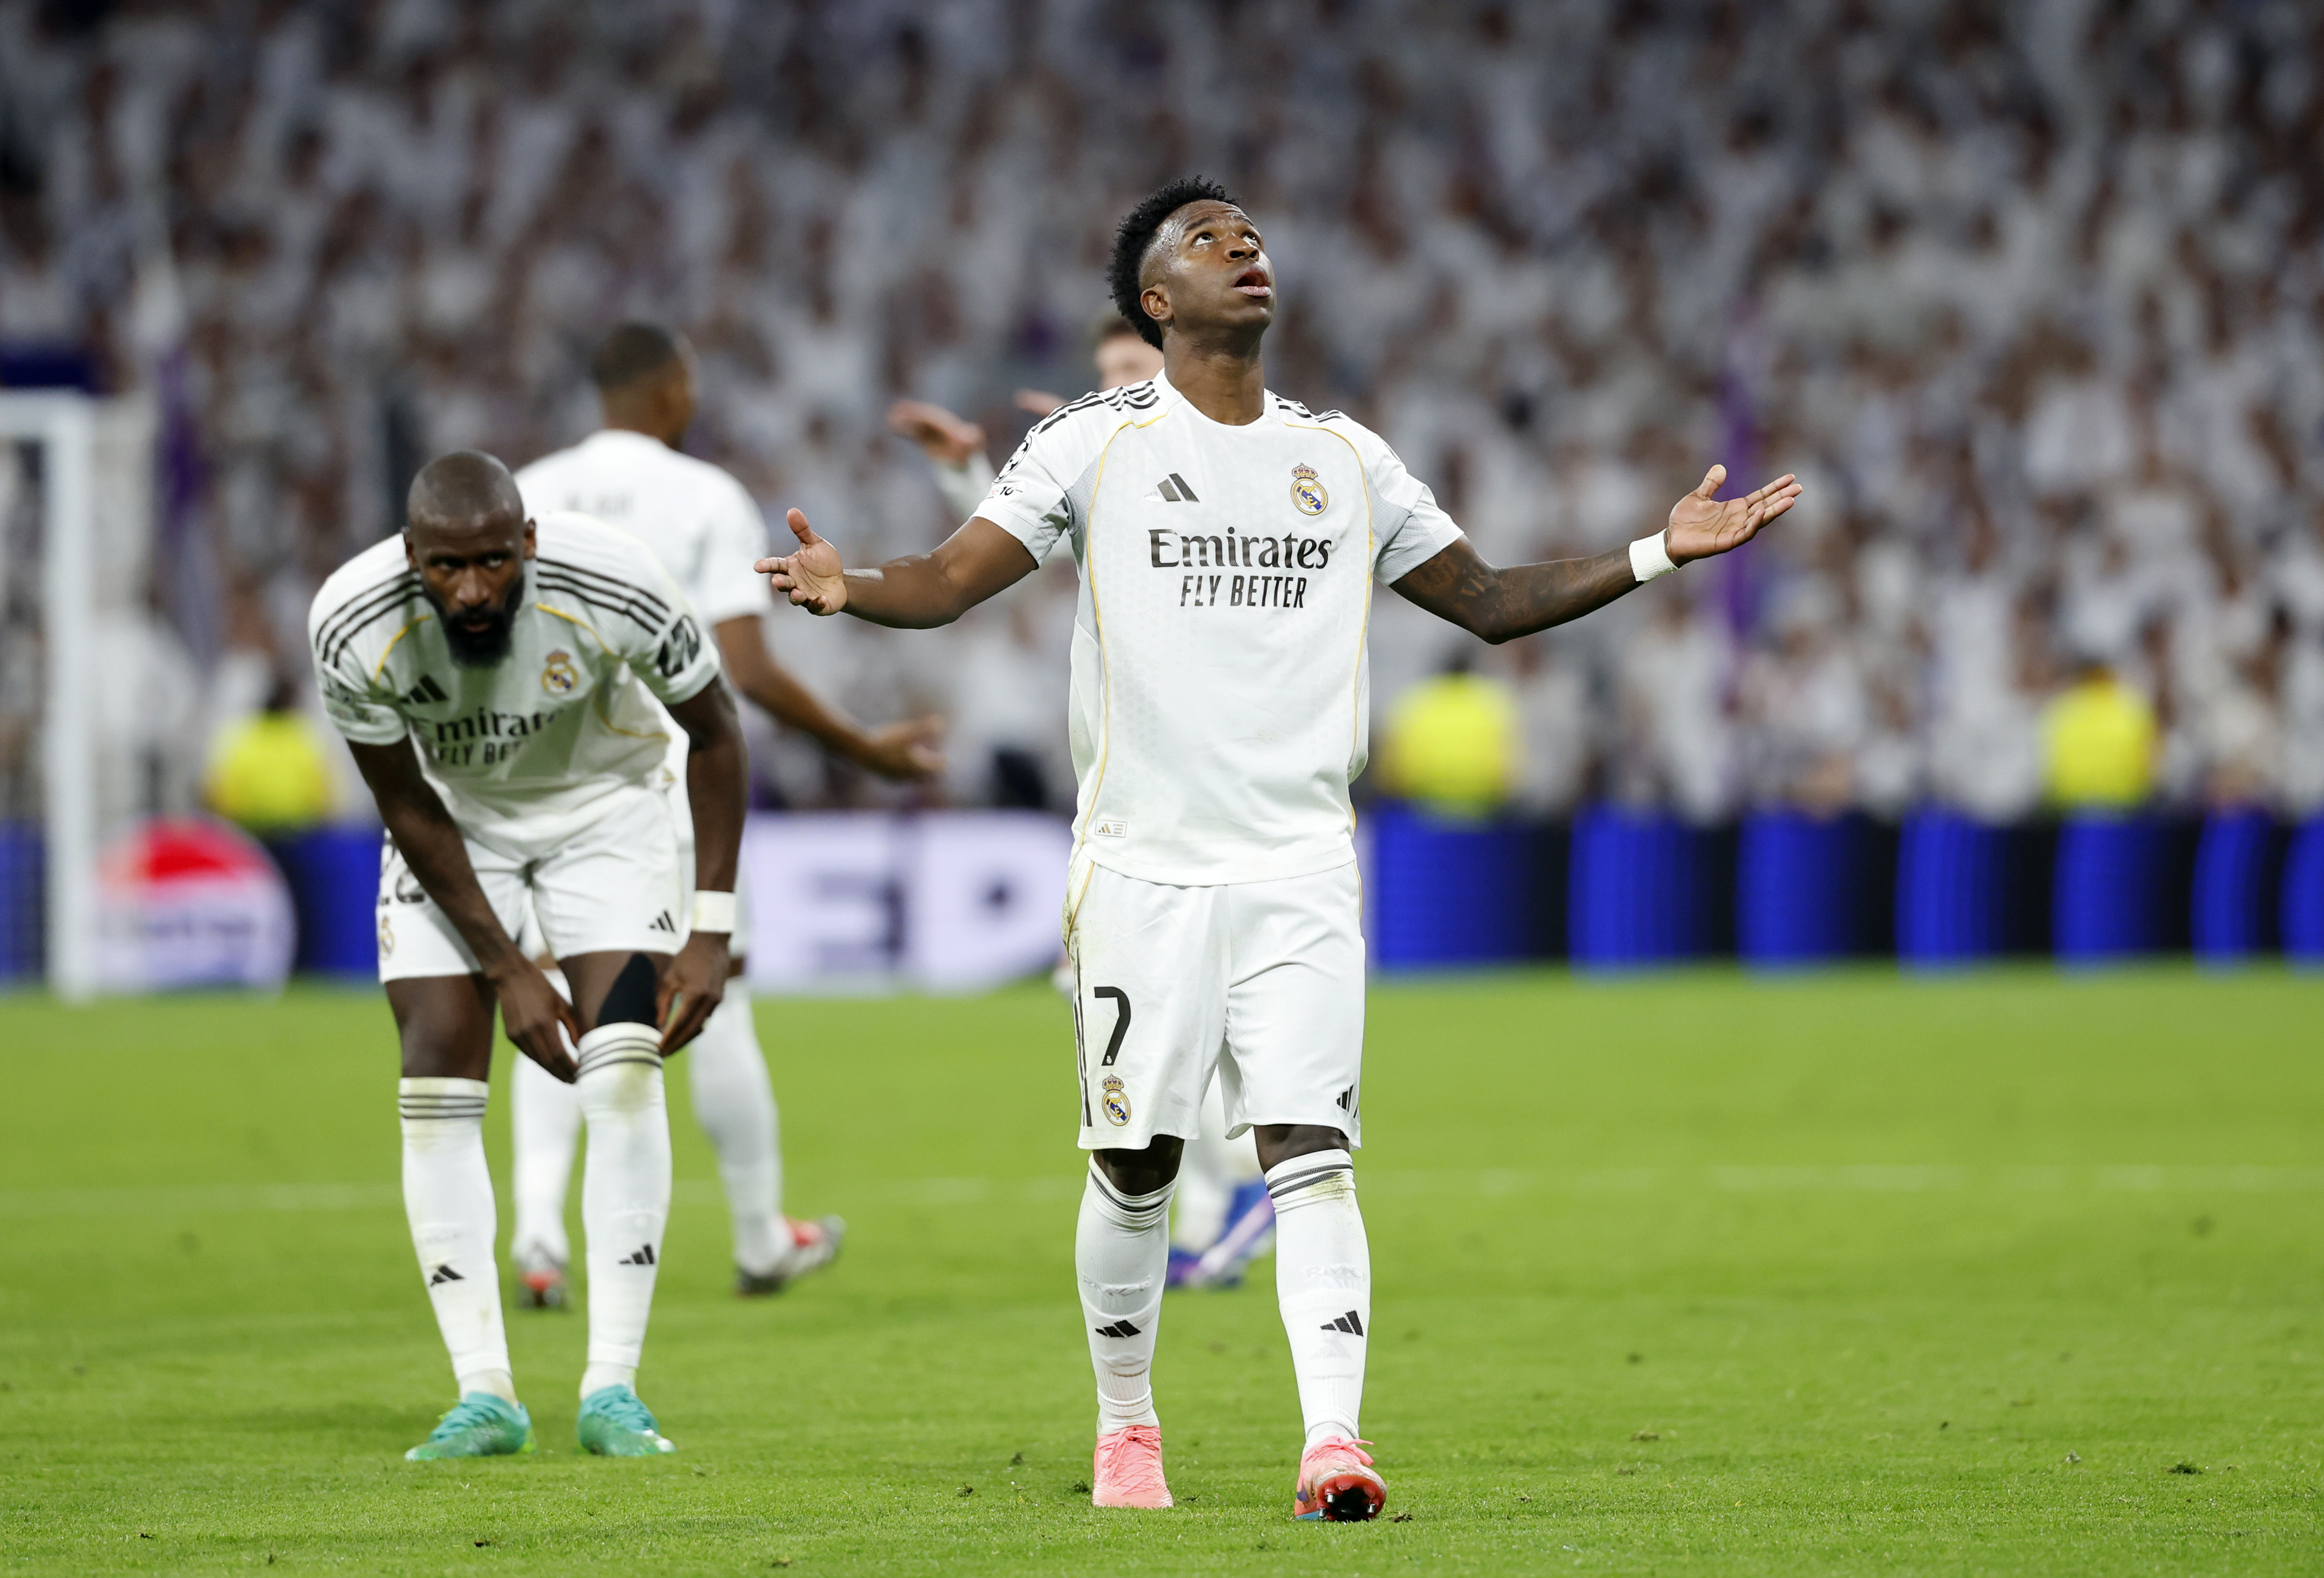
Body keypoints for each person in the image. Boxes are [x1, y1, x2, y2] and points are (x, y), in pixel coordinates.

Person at [757, 177, 1799, 1521]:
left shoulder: (1345, 458)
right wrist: (850, 588)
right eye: (1208, 240)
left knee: (1311, 1156)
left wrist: (1657, 551)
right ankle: (1126, 1425)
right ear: (1156, 300)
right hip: (1141, 867)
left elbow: (1488, 601)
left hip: (1301, 864)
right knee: (1135, 1169)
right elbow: (951, 578)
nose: (1243, 249)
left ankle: (1333, 1443)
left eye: (1250, 236)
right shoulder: (1093, 442)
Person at [309, 450, 746, 1461]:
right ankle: (485, 1393)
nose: (472, 590)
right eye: (447, 567)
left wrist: (710, 929)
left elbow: (717, 735)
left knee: (623, 1065)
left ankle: (613, 1388)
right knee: (434, 1074)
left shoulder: (617, 580)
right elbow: (402, 798)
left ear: (529, 543)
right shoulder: (350, 622)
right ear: (410, 556)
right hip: (454, 824)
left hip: (607, 813)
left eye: (494, 562)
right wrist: (508, 966)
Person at [510, 322, 940, 1304]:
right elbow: (744, 671)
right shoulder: (702, 495)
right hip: (656, 777)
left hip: (539, 778)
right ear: (667, 389)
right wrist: (862, 748)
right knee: (718, 990)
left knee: (553, 984)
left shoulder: (527, 490)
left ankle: (538, 1233)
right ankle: (758, 1236)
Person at [890, 321, 1277, 1290]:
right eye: (1103, 375)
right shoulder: (1125, 471)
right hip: (1133, 800)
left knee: (1158, 1018)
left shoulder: (1239, 475)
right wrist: (973, 473)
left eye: (1129, 370)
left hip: (1208, 807)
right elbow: (1036, 546)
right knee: (1159, 1020)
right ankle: (1219, 1208)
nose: (1113, 388)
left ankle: (1245, 1189)